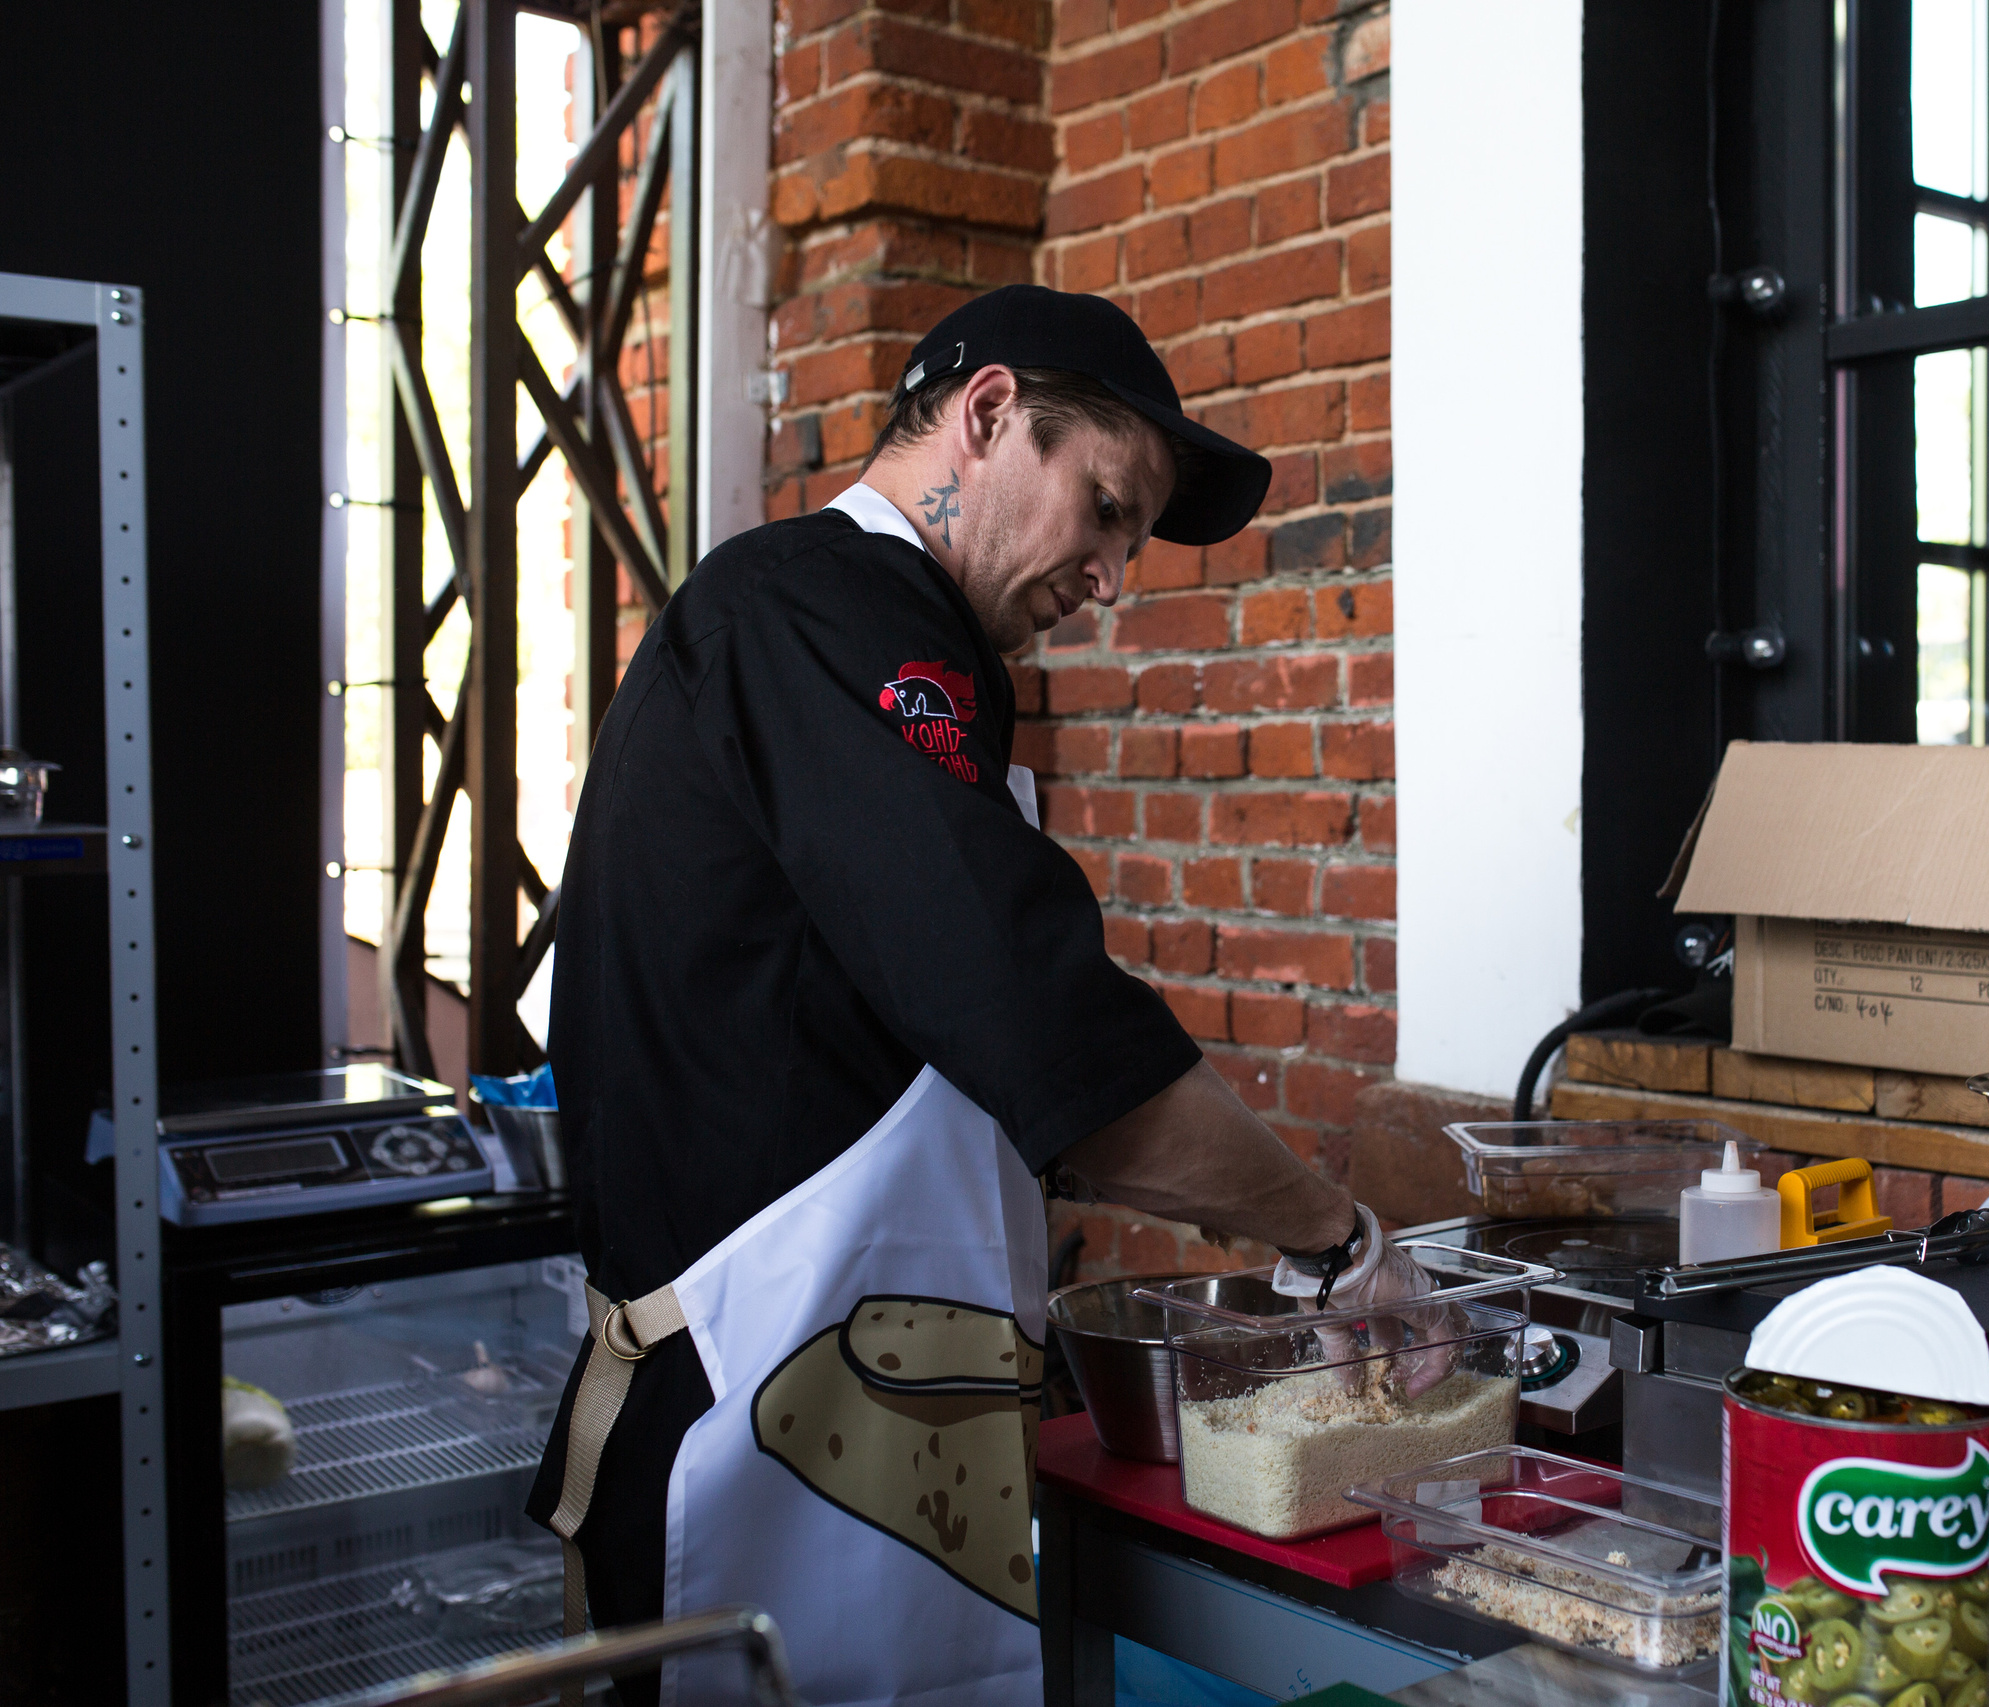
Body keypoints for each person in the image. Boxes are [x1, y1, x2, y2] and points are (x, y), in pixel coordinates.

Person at [524, 286, 1435, 1706]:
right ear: (990, 413)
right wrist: (1335, 1236)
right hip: (734, 1429)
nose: (1114, 575)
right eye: (1108, 508)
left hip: (838, 1412)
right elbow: (1042, 1029)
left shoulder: (878, 638)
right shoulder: (812, 615)